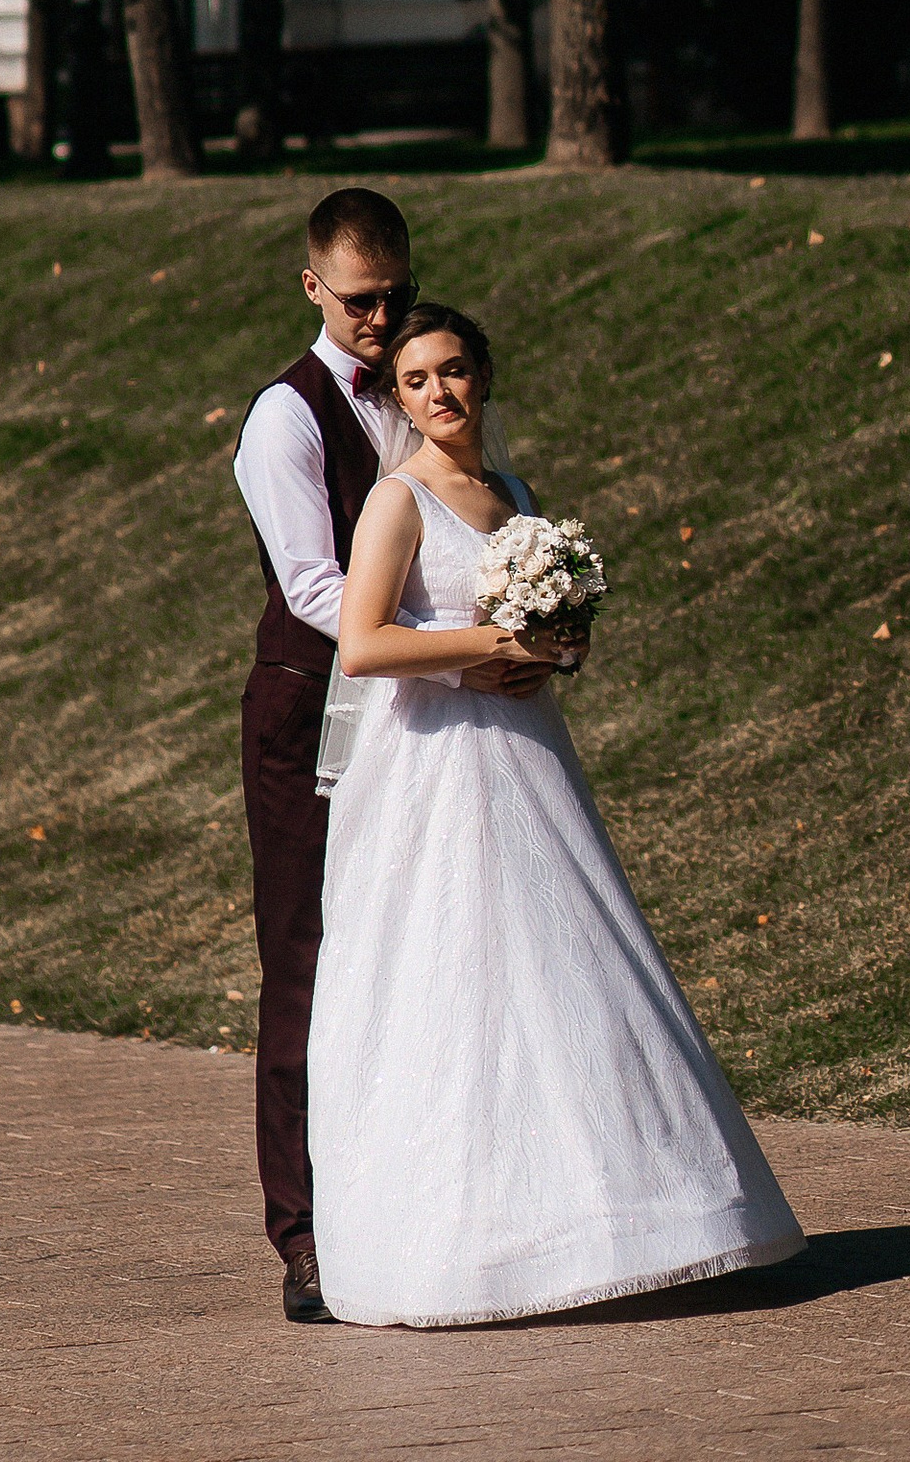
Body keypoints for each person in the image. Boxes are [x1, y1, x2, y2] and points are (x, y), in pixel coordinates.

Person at [307, 304, 805, 1326]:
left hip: (525, 757)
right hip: (431, 767)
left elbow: (547, 631)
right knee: (455, 970)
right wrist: (482, 652)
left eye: (452, 371)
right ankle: (463, 1242)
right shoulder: (396, 502)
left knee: (560, 960)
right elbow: (360, 648)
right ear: (398, 398)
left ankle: (632, 1216)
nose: (438, 393)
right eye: (415, 381)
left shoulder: (517, 498)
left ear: (484, 377)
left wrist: (552, 650)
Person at [231, 186, 421, 1325]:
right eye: (359, 301)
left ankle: (398, 1206)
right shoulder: (286, 417)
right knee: (304, 964)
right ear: (313, 287)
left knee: (408, 957)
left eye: (393, 298)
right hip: (310, 711)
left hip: (408, 707)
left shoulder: (414, 383)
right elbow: (311, 589)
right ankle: (300, 1236)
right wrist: (441, 646)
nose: (381, 321)